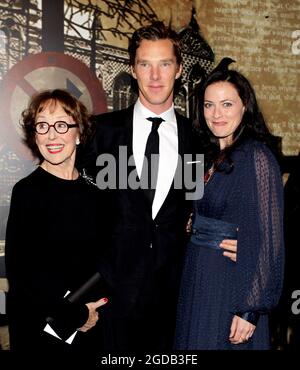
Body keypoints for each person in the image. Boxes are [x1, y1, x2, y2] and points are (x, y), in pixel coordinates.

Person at [79, 21, 237, 351]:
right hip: (108, 300)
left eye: (164, 64)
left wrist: (242, 242)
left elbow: (206, 209)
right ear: (133, 70)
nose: (155, 76)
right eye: (145, 64)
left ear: (179, 69)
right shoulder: (99, 133)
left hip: (175, 300)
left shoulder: (200, 141)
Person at [174, 67, 285, 350]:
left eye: (227, 104)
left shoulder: (256, 156)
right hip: (199, 277)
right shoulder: (208, 155)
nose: (216, 114)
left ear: (244, 106)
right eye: (209, 105)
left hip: (229, 286)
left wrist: (250, 310)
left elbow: (270, 239)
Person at [5, 89, 109, 353]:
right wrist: (75, 316)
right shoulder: (26, 192)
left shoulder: (95, 192)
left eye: (62, 124)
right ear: (34, 135)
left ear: (79, 132)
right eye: (43, 126)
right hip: (42, 335)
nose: (52, 135)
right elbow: (23, 280)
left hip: (93, 329)